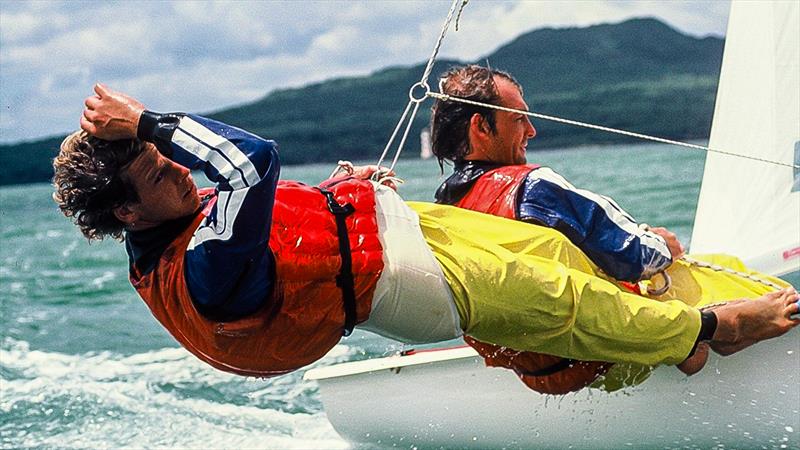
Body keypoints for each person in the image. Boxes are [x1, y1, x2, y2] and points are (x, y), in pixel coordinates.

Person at [53, 83, 799, 384]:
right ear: (125, 213)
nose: (181, 174)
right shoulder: (201, 265)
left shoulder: (185, 222)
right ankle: (708, 329)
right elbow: (253, 165)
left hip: (399, 234)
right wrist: (149, 121)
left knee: (546, 248)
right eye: (159, 173)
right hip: (403, 287)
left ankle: (668, 327)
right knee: (552, 293)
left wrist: (346, 199)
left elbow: (274, 220)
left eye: (168, 159)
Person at [429, 64, 792, 392]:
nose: (532, 130)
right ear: (480, 126)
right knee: (736, 274)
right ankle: (728, 330)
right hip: (612, 349)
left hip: (544, 371)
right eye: (518, 119)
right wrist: (663, 246)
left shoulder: (446, 211)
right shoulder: (533, 187)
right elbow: (634, 256)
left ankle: (702, 337)